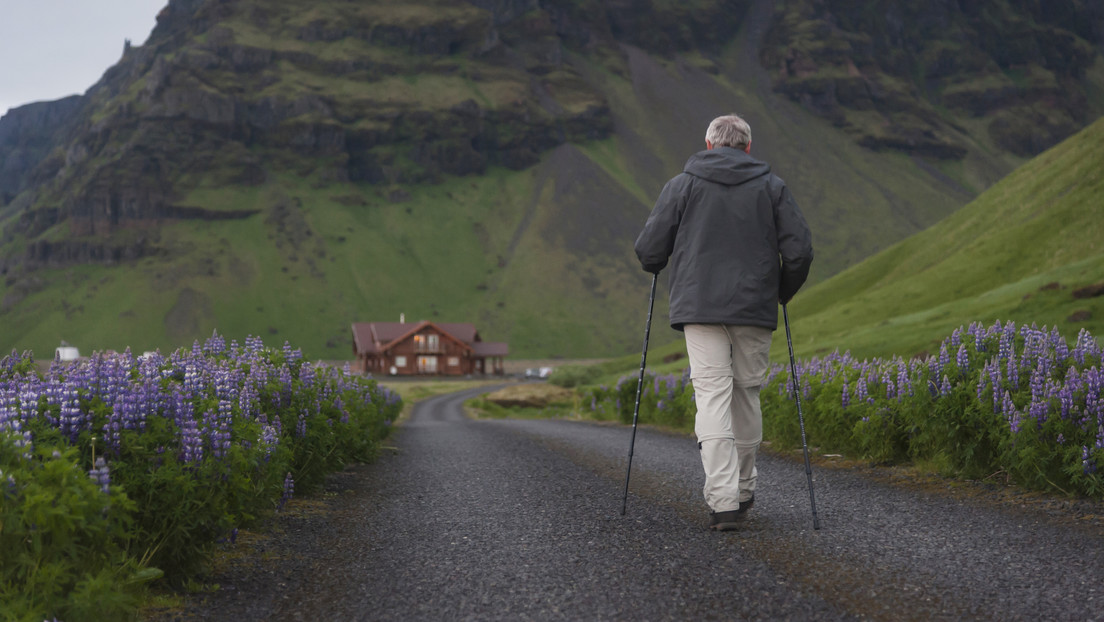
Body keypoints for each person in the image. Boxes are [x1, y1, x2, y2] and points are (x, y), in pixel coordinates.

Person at [634, 114, 813, 531]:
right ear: (747, 147)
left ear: (710, 145)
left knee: (712, 396)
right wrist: (780, 291)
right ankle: (744, 489)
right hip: (754, 308)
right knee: (746, 394)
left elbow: (649, 251)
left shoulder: (682, 184)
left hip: (699, 308)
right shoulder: (772, 187)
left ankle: (723, 500)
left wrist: (659, 260)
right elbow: (800, 251)